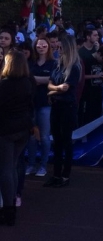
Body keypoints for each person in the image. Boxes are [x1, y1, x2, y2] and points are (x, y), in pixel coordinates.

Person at [0, 51, 34, 225]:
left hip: (6, 131)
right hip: (23, 129)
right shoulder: (28, 82)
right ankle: (11, 204)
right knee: (12, 167)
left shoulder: (4, 85)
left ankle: (8, 211)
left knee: (6, 170)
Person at [46, 35, 82, 188]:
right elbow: (50, 85)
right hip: (56, 106)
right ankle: (56, 174)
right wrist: (56, 89)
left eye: (61, 47)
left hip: (68, 107)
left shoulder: (74, 67)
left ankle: (65, 176)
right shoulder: (57, 64)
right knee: (57, 141)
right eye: (57, 47)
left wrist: (52, 90)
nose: (58, 50)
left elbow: (66, 88)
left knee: (66, 141)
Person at [26, 38, 58, 178]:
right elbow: (26, 78)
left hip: (46, 104)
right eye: (39, 45)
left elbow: (52, 80)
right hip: (31, 104)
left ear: (48, 47)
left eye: (44, 45)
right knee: (32, 136)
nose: (41, 47)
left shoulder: (53, 63)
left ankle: (43, 165)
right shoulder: (30, 63)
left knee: (44, 137)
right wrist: (43, 80)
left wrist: (35, 79)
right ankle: (31, 164)